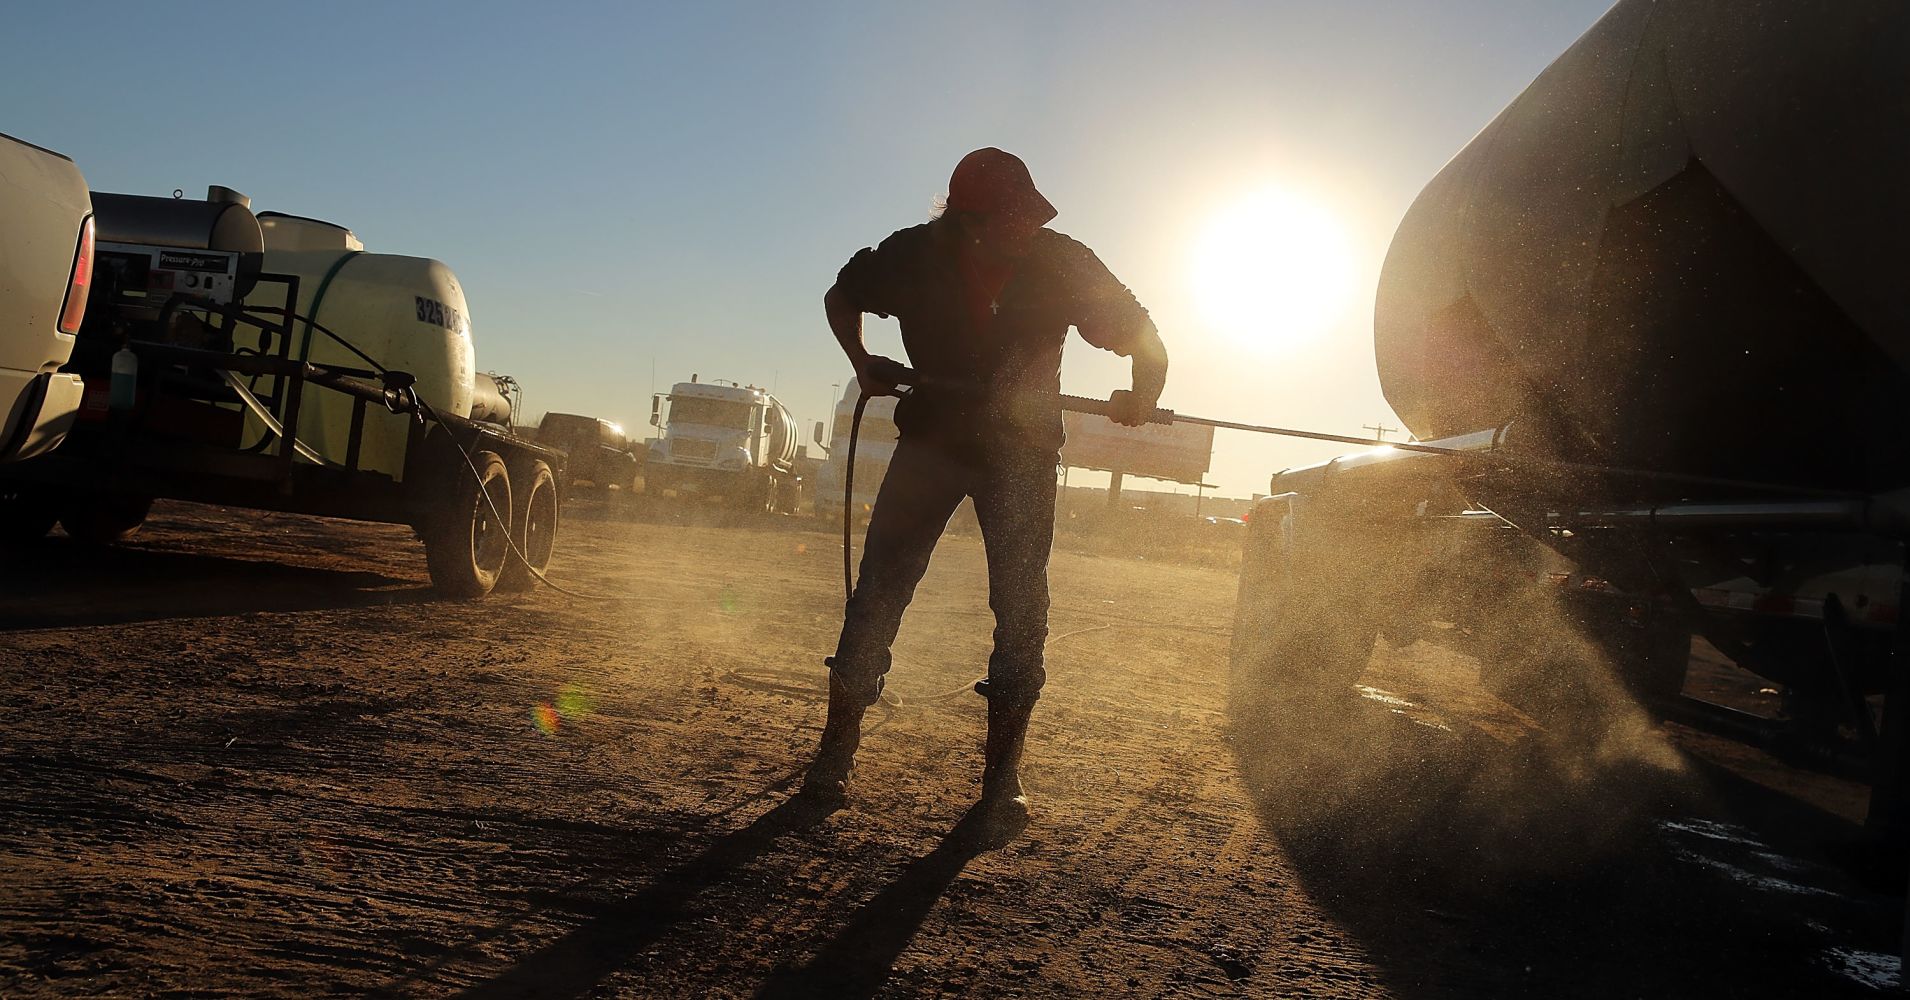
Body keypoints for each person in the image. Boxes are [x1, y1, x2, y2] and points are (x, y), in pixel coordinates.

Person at [805, 147, 1169, 838]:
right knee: (879, 590)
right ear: (969, 221)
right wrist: (865, 364)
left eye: (1031, 215)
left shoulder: (1061, 261)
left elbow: (1144, 336)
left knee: (1022, 610)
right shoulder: (912, 256)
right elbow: (841, 297)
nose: (1027, 228)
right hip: (932, 446)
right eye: (1013, 218)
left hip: (1021, 458)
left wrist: (1143, 392)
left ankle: (1002, 778)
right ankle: (834, 752)